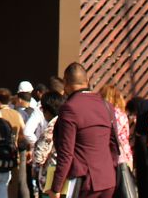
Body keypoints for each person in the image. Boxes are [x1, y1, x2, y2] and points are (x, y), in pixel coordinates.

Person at [48, 64, 118, 198]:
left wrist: (56, 187)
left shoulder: (69, 108)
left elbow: (66, 153)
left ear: (66, 83)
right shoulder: (106, 105)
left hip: (85, 180)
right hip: (108, 179)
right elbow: (114, 145)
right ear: (87, 81)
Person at [97, 85, 134, 198]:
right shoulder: (121, 114)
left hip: (103, 158)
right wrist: (129, 159)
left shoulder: (99, 113)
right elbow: (124, 140)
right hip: (121, 158)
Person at [0, 88, 27, 198]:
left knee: (1, 185)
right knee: (13, 184)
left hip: (0, 156)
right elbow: (24, 131)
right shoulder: (17, 114)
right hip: (14, 153)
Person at [32, 92, 65, 197]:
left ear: (47, 110)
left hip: (52, 178)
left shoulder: (52, 126)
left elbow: (39, 157)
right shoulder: (67, 121)